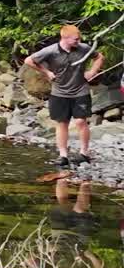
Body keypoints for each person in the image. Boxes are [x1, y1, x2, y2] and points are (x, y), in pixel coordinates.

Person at [25, 25, 104, 166]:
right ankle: (63, 156)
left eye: (79, 38)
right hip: (59, 93)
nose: (78, 41)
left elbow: (99, 57)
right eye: (75, 39)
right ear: (64, 38)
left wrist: (92, 72)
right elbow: (29, 61)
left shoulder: (84, 48)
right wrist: (47, 72)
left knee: (80, 121)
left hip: (81, 91)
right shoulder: (51, 51)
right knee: (62, 123)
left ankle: (84, 153)